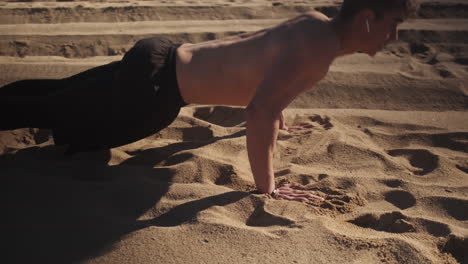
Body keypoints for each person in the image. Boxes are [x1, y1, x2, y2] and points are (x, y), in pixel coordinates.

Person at [0, 0, 418, 202]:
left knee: (55, 94)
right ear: (368, 18)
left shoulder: (313, 23)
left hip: (160, 54)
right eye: (393, 25)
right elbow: (260, 110)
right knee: (55, 112)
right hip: (154, 94)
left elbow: (271, 68)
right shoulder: (318, 54)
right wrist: (268, 188)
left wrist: (282, 120)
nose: (394, 37)